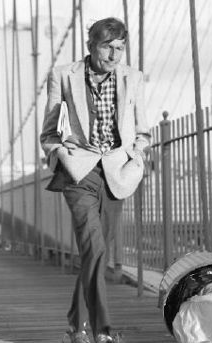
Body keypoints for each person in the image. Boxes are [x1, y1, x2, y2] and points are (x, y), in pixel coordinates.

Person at [40, 17, 150, 343]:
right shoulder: (63, 76)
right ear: (91, 46)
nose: (115, 55)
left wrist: (137, 158)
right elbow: (48, 132)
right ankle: (102, 330)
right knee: (96, 249)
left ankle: (77, 327)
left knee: (94, 253)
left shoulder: (134, 78)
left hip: (117, 173)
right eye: (107, 47)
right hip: (80, 174)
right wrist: (60, 153)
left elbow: (141, 131)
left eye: (120, 48)